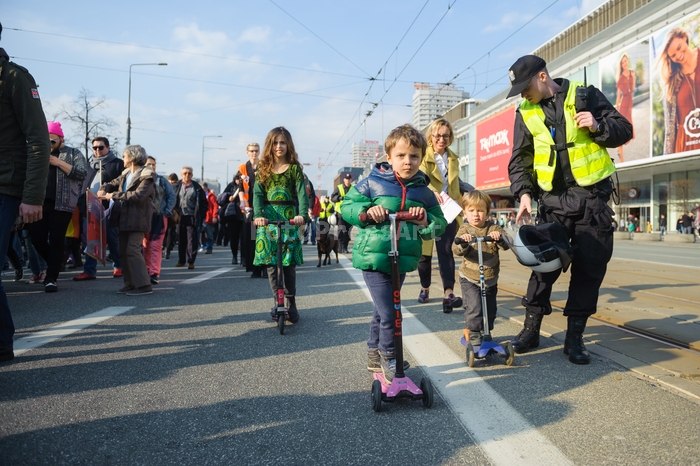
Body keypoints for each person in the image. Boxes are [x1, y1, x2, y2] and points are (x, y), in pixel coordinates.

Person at [506, 54, 632, 364]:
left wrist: (598, 124)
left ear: (542, 77)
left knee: (589, 270)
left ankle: (574, 339)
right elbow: (520, 158)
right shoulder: (525, 112)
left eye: (525, 87)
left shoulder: (585, 95)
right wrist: (523, 194)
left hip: (592, 202)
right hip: (552, 203)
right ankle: (531, 330)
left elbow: (623, 129)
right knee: (542, 267)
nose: (523, 94)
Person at [342, 124, 446, 384]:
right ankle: (390, 357)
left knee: (383, 309)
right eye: (401, 156)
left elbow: (440, 222)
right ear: (388, 157)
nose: (407, 161)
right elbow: (347, 206)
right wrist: (367, 212)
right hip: (374, 257)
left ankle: (373, 352)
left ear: (422, 158)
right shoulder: (372, 182)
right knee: (390, 312)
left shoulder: (423, 190)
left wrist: (425, 223)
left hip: (401, 258)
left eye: (414, 156)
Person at [0, 21, 51, 362]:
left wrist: (32, 195)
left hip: (4, 187)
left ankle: (3, 341)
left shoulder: (16, 78)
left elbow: (38, 139)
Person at [253, 127, 309, 323]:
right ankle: (277, 300)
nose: (279, 146)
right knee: (270, 263)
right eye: (275, 142)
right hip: (267, 219)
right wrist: (258, 215)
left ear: (288, 145)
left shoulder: (294, 168)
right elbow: (258, 194)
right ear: (270, 145)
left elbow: (302, 194)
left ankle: (291, 301)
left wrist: (302, 214)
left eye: (283, 142)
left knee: (288, 264)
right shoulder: (263, 168)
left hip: (289, 218)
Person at [30, 121, 87, 292]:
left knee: (56, 240)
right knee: (36, 239)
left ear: (61, 139)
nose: (49, 144)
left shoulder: (73, 153)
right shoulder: (37, 152)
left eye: (53, 141)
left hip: (63, 204)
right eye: (46, 140)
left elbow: (82, 173)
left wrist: (58, 162)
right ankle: (56, 262)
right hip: (39, 203)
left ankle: (51, 278)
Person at [416, 118, 463, 313]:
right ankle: (425, 288)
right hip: (429, 209)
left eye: (445, 135)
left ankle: (448, 293)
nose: (441, 139)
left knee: (446, 251)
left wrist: (465, 196)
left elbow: (454, 182)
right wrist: (431, 192)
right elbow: (420, 178)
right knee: (424, 256)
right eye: (437, 135)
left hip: (448, 210)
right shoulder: (423, 156)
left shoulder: (453, 158)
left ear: (450, 137)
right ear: (431, 137)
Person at [452, 190, 509, 350]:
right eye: (471, 211)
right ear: (465, 212)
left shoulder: (493, 228)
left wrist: (500, 238)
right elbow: (455, 249)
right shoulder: (465, 229)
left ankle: (486, 331)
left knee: (490, 309)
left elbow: (506, 244)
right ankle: (474, 332)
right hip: (469, 277)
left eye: (480, 210)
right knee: (474, 306)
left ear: (487, 212)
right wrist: (463, 243)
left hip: (490, 278)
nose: (476, 215)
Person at [97, 145, 156, 295]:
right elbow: (112, 182)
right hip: (123, 217)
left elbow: (138, 196)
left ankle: (144, 286)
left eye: (124, 156)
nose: (122, 158)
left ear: (132, 157)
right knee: (123, 251)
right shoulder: (126, 173)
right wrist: (105, 188)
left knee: (133, 250)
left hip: (138, 219)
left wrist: (113, 195)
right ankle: (130, 284)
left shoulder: (147, 175)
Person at [73, 136, 124, 281]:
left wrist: (111, 196)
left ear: (108, 148)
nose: (97, 150)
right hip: (90, 208)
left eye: (100, 147)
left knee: (112, 238)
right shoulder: (89, 165)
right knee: (90, 239)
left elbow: (120, 185)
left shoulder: (117, 164)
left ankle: (118, 266)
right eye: (94, 148)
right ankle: (89, 270)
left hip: (109, 208)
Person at [656, 27, 700, 155]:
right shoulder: (671, 81)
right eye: (673, 55)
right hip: (685, 145)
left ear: (684, 37)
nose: (679, 55)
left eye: (679, 47)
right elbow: (669, 129)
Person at [143, 156, 175, 285]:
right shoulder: (140, 179)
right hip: (144, 217)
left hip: (159, 216)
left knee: (155, 246)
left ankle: (154, 273)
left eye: (153, 164)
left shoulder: (162, 181)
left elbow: (171, 196)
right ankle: (145, 269)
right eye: (148, 164)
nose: (151, 166)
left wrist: (167, 211)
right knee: (145, 245)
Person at [239, 142, 265, 278]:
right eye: (252, 151)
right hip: (250, 208)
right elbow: (241, 189)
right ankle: (255, 268)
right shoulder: (243, 168)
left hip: (263, 206)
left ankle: (266, 268)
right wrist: (243, 203)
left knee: (265, 236)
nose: (254, 153)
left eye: (256, 151)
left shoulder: (264, 166)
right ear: (247, 152)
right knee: (252, 238)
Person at [173, 166, 207, 269]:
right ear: (181, 174)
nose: (187, 175)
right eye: (185, 173)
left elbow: (204, 203)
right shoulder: (176, 186)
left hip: (192, 216)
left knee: (191, 239)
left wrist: (201, 215)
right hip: (179, 216)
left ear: (192, 175)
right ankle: (181, 260)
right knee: (181, 239)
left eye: (189, 174)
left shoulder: (197, 188)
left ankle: (191, 260)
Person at [218, 173, 245, 265]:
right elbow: (221, 199)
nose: (238, 180)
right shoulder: (231, 186)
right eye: (237, 178)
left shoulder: (248, 185)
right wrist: (228, 197)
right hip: (233, 216)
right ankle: (234, 256)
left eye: (240, 178)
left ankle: (244, 258)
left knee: (248, 237)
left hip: (247, 215)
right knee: (234, 237)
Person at [614, 52, 635, 163]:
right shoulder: (621, 78)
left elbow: (632, 90)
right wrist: (617, 109)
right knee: (622, 130)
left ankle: (619, 149)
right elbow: (618, 96)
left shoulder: (632, 73)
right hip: (623, 104)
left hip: (629, 102)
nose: (625, 63)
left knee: (629, 128)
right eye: (622, 62)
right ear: (621, 65)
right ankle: (621, 157)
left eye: (625, 61)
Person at [331, 173, 353, 253]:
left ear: (351, 180)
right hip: (340, 213)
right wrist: (340, 198)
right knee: (341, 230)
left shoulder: (353, 188)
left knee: (347, 231)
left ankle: (345, 247)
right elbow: (332, 198)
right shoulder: (339, 188)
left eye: (349, 179)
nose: (348, 180)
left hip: (350, 213)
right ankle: (340, 247)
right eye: (346, 179)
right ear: (344, 180)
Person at [164, 173, 179, 259]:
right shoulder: (166, 187)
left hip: (173, 213)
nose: (172, 184)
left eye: (173, 182)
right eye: (170, 182)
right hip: (166, 211)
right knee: (165, 231)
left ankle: (167, 249)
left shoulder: (177, 188)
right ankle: (166, 247)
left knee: (170, 232)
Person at [201, 182, 218, 254]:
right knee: (199, 233)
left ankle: (209, 248)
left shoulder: (211, 196)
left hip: (208, 217)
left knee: (209, 234)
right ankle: (201, 246)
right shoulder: (199, 194)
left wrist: (214, 216)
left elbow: (215, 206)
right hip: (200, 217)